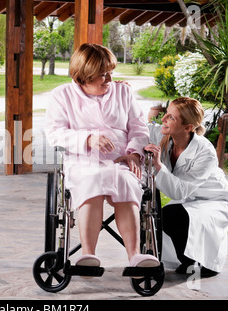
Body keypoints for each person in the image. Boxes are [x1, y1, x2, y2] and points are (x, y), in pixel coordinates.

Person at [44, 43, 159, 271]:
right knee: (92, 181)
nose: (108, 80)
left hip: (121, 160)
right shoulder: (62, 95)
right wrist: (88, 139)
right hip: (83, 161)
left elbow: (138, 127)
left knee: (126, 182)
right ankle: (88, 255)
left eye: (110, 73)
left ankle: (135, 257)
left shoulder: (123, 92)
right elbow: (54, 133)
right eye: (101, 75)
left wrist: (134, 153)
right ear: (83, 76)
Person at [145, 97, 228, 277]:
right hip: (190, 199)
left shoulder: (205, 152)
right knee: (165, 216)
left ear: (188, 127)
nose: (163, 119)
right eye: (166, 114)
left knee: (172, 216)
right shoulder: (162, 135)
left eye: (171, 118)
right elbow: (135, 128)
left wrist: (158, 166)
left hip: (217, 200)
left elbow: (179, 191)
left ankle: (205, 265)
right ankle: (187, 260)